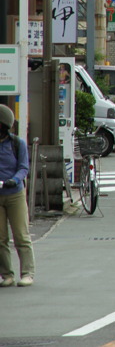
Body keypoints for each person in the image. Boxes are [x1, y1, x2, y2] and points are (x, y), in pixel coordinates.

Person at [0, 104, 34, 287]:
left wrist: (15, 179)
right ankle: (7, 275)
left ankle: (27, 273)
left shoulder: (16, 143)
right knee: (0, 238)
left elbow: (23, 167)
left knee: (21, 234)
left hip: (14, 194)